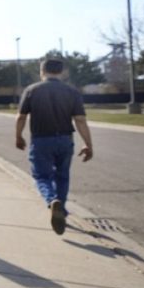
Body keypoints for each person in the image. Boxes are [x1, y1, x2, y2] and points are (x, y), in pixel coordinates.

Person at [15, 59, 94, 235]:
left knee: (42, 176)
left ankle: (52, 201)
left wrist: (18, 136)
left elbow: (21, 117)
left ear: (42, 71)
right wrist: (88, 144)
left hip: (41, 140)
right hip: (65, 140)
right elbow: (80, 120)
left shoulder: (32, 90)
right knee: (62, 176)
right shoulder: (72, 91)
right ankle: (62, 210)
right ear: (62, 72)